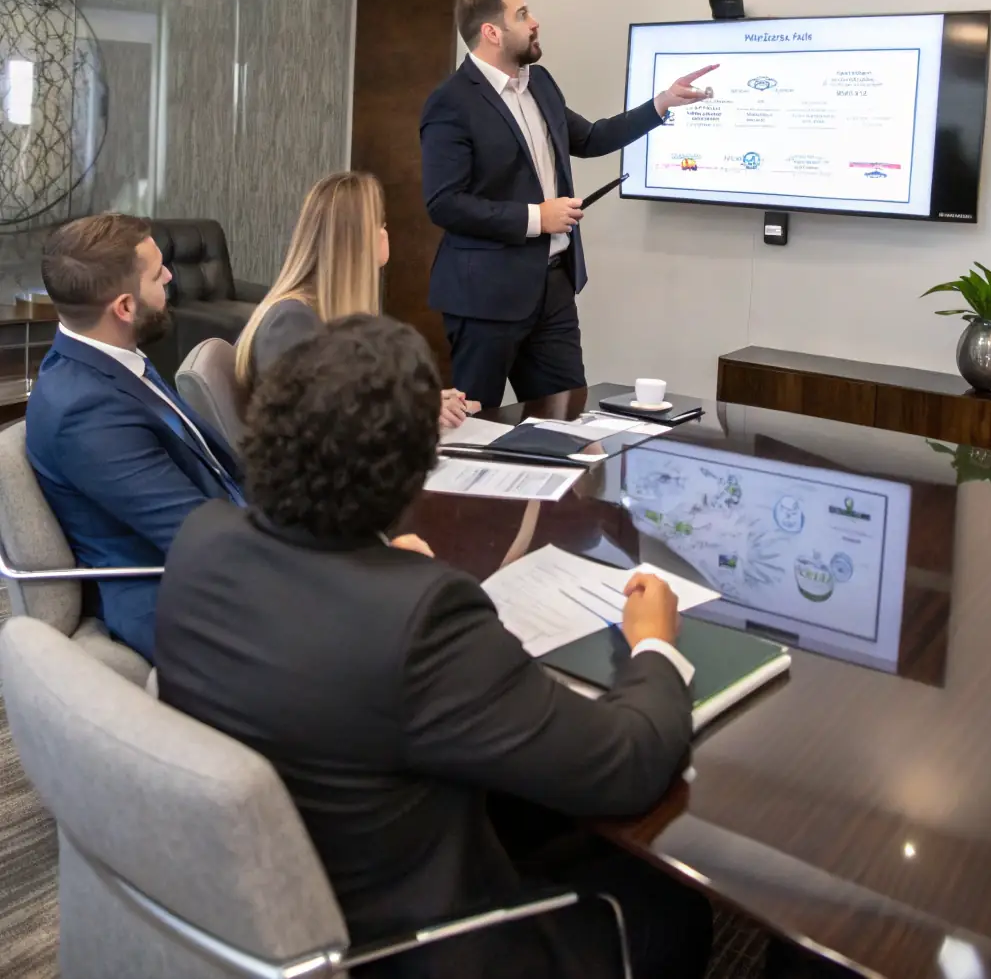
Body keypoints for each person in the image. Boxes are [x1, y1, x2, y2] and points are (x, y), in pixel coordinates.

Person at [156, 316, 713, 979]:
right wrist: (653, 643)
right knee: (675, 906)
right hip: (412, 947)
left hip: (256, 903)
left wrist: (377, 561)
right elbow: (628, 762)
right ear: (413, 471)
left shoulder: (201, 541)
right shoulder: (419, 618)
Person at [420, 0, 717, 408]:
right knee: (475, 424)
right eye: (522, 15)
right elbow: (444, 203)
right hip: (485, 297)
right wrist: (537, 218)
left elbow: (592, 138)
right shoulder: (450, 102)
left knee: (566, 420)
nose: (535, 22)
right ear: (491, 32)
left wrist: (661, 103)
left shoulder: (539, 84)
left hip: (553, 288)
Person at [25, 213, 244, 661]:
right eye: (157, 272)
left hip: (224, 547)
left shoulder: (112, 357)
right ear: (124, 307)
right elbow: (200, 539)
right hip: (182, 602)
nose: (170, 277)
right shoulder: (86, 413)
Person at [235, 170, 475, 429]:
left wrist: (419, 402)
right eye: (380, 224)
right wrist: (415, 414)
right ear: (354, 239)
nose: (385, 233)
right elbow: (311, 431)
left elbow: (348, 402)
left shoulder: (330, 314)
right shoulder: (291, 321)